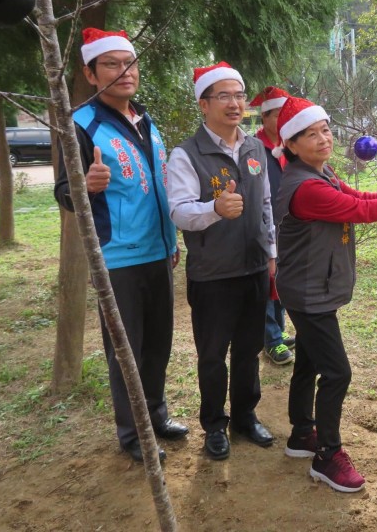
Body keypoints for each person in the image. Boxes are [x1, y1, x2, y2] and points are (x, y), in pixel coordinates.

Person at [273, 96, 377, 492]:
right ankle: (327, 454)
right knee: (337, 371)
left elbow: (360, 199)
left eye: (325, 130)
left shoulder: (320, 172)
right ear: (291, 145)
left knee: (309, 361)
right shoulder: (305, 186)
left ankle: (301, 435)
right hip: (308, 293)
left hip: (310, 286)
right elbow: (356, 210)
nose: (322, 138)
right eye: (310, 134)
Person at [54, 28, 187, 463]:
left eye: (129, 63)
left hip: (159, 251)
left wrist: (173, 239)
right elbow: (62, 191)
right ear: (90, 74)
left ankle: (156, 416)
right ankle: (134, 435)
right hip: (117, 258)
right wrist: (84, 186)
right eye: (111, 64)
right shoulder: (80, 124)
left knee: (158, 344)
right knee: (126, 350)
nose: (124, 72)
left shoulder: (145, 119)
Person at [166, 62, 276, 461]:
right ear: (204, 104)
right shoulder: (187, 155)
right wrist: (215, 208)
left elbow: (264, 204)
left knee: (248, 351)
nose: (234, 104)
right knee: (213, 356)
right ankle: (215, 423)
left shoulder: (254, 147)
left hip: (253, 268)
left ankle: (246, 416)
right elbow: (178, 211)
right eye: (224, 96)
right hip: (213, 275)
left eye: (239, 95)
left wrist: (272, 254)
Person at [249, 86, 296, 365]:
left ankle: (277, 331)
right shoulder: (254, 149)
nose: (282, 121)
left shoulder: (290, 145)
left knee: (281, 281)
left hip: (288, 226)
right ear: (264, 117)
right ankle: (271, 339)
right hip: (264, 226)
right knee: (266, 283)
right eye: (277, 115)